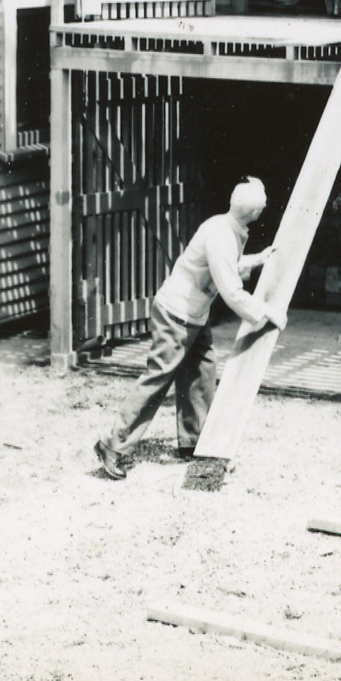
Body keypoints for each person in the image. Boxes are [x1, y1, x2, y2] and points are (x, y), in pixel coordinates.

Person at [93, 178, 284, 479]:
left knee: (202, 372)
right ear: (253, 214)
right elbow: (232, 292)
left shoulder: (226, 226)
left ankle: (197, 443)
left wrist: (257, 259)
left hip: (194, 315)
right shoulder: (222, 235)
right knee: (158, 378)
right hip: (176, 314)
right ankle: (113, 445)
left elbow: (224, 265)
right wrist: (267, 313)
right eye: (261, 209)